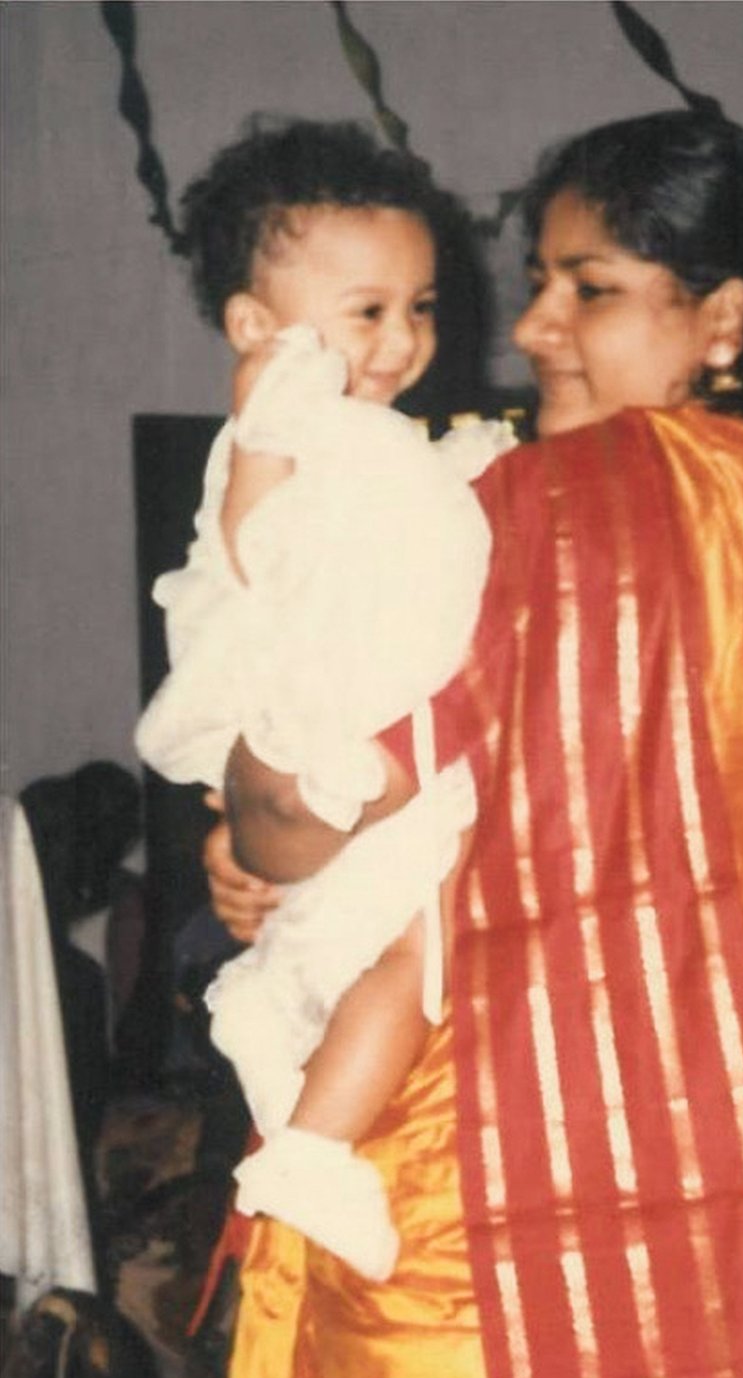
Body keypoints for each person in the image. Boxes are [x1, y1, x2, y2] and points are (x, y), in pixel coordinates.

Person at [203, 111, 743, 1378]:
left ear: (719, 316)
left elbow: (306, 810)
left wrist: (245, 837)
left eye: (588, 288)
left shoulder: (552, 508)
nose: (533, 324)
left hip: (501, 1206)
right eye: (540, 278)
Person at [135, 119, 513, 1281]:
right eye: (367, 310)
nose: (403, 338)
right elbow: (264, 550)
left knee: (390, 949)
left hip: (350, 746)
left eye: (421, 304)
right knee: (408, 946)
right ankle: (310, 1147)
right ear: (259, 331)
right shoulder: (288, 418)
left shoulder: (367, 438)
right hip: (329, 733)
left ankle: (308, 1128)